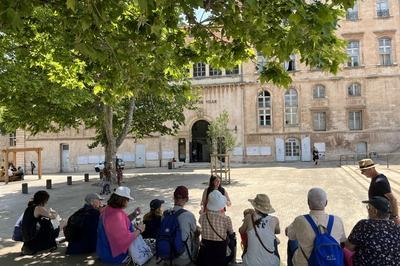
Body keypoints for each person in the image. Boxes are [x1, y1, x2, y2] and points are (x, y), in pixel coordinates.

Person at [285, 188, 346, 266]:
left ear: (308, 203)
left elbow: (290, 235)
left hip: (305, 263)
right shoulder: (337, 220)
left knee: (291, 241)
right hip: (332, 262)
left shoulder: (300, 220)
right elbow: (343, 240)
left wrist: (288, 230)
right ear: (326, 203)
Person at [96, 186, 145, 264]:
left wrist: (134, 214)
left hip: (104, 250)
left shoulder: (108, 209)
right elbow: (125, 239)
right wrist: (139, 230)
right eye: (127, 200)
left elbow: (121, 224)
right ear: (123, 200)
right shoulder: (116, 215)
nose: (128, 202)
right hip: (113, 255)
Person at [346, 196, 400, 265]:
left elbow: (349, 247)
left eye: (368, 207)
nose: (367, 210)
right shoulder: (397, 227)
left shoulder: (364, 224)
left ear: (375, 211)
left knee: (343, 251)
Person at [239, 194, 280, 266]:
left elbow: (241, 231)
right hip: (272, 263)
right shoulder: (274, 220)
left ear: (255, 208)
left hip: (251, 263)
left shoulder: (249, 218)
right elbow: (277, 231)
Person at [358, 158, 400, 224]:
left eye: (363, 171)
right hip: (377, 215)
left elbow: (393, 199)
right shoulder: (377, 178)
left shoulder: (380, 181)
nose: (362, 173)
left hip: (382, 218)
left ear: (370, 169)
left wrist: (395, 217)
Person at [198, 190, 233, 266]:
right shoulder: (226, 219)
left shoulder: (203, 217)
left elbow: (200, 222)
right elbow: (231, 233)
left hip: (205, 255)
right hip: (220, 255)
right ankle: (233, 260)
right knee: (233, 239)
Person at [21, 190, 61, 255]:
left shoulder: (29, 207)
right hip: (33, 236)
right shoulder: (38, 208)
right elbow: (52, 217)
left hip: (27, 236)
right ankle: (50, 242)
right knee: (57, 223)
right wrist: (55, 213)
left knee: (45, 222)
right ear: (44, 200)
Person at [170, 186, 200, 265]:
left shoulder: (165, 214)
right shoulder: (189, 215)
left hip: (166, 255)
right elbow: (195, 232)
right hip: (183, 259)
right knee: (197, 234)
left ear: (174, 197)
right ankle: (194, 259)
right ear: (186, 199)